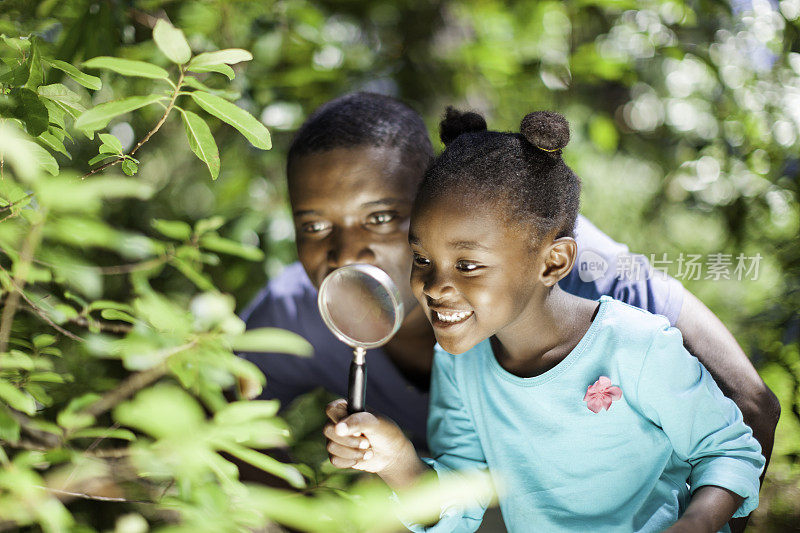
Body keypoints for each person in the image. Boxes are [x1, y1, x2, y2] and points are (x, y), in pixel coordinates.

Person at [238, 92, 778, 466]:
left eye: (382, 217)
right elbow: (221, 424)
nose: (346, 250)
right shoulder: (295, 313)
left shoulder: (559, 258)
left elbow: (750, 405)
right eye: (313, 225)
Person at [322, 109, 766, 532]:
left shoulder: (637, 345)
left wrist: (697, 523)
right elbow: (463, 499)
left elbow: (728, 451)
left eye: (468, 265)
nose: (434, 286)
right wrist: (396, 459)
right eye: (422, 258)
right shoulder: (460, 365)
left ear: (553, 262)